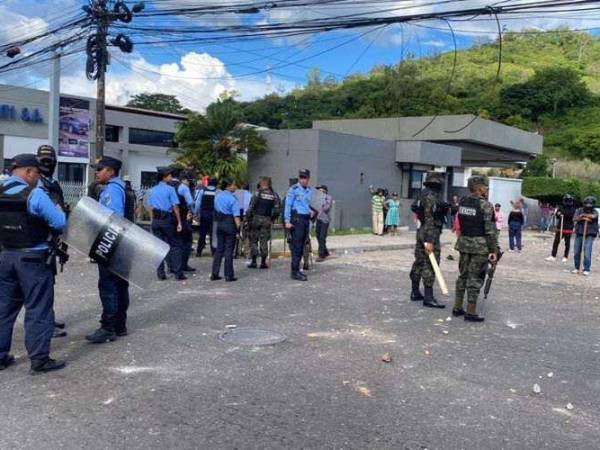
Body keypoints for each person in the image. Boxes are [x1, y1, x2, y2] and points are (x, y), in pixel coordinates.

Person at [0, 154, 66, 374]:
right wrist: (58, 209)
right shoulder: (34, 194)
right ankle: (39, 360)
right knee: (38, 309)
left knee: (4, 309)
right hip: (33, 260)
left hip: (6, 256)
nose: (38, 177)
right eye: (36, 173)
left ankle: (1, 356)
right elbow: (59, 222)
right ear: (28, 172)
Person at [85, 156, 133, 344]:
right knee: (120, 286)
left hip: (113, 242)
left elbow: (114, 219)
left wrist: (105, 245)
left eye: (100, 169)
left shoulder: (112, 190)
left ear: (111, 171)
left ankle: (108, 327)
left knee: (108, 286)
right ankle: (120, 325)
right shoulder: (124, 188)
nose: (96, 172)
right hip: (125, 243)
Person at [453, 176, 499, 322]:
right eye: (485, 187)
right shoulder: (485, 205)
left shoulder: (463, 202)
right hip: (479, 246)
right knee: (475, 278)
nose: (487, 189)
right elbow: (490, 231)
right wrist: (494, 250)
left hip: (464, 243)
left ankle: (457, 307)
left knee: (463, 275)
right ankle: (471, 311)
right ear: (479, 188)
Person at [36, 144, 68, 339]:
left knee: (49, 283)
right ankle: (45, 323)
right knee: (41, 286)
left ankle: (48, 317)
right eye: (43, 161)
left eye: (50, 161)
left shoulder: (52, 183)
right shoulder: (37, 184)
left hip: (52, 240)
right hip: (40, 240)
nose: (47, 164)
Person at [409, 172, 448, 308]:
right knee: (430, 264)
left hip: (421, 230)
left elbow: (415, 208)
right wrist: (430, 240)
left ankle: (415, 292)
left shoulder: (422, 194)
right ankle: (428, 297)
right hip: (430, 232)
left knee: (419, 261)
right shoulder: (432, 197)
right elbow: (431, 218)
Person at [148, 167, 185, 281]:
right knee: (175, 246)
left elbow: (149, 207)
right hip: (167, 220)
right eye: (169, 176)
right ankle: (178, 273)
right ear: (164, 177)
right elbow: (175, 206)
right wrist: (179, 222)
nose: (171, 177)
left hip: (156, 220)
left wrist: (152, 220)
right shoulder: (170, 189)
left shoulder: (152, 190)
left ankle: (161, 273)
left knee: (159, 247)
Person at [284, 169, 313, 281]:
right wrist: (287, 221)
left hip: (306, 220)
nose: (303, 180)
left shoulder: (309, 191)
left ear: (308, 178)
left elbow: (309, 205)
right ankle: (295, 271)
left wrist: (312, 211)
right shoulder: (293, 190)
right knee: (297, 247)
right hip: (297, 220)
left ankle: (297, 269)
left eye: (305, 177)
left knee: (303, 246)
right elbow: (288, 205)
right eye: (301, 177)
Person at [246, 176, 281, 269]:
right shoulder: (274, 195)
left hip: (256, 219)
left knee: (253, 240)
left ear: (262, 183)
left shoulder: (257, 193)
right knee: (264, 240)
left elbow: (250, 208)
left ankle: (253, 261)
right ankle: (263, 262)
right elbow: (277, 210)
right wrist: (272, 218)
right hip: (267, 220)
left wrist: (248, 219)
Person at [211, 178, 241, 281]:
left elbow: (215, 209)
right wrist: (238, 229)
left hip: (220, 223)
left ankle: (214, 273)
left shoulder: (218, 196)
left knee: (219, 249)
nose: (235, 187)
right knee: (229, 250)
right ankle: (228, 275)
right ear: (228, 186)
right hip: (229, 223)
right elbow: (236, 216)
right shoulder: (233, 199)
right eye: (234, 185)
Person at [169, 166, 195, 273]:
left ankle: (171, 266)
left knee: (171, 242)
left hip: (168, 218)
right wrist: (191, 212)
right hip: (182, 217)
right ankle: (182, 265)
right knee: (186, 241)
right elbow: (190, 202)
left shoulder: (165, 185)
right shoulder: (183, 187)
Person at [572, 196, 598, 276]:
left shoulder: (595, 211)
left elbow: (594, 216)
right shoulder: (579, 210)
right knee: (577, 251)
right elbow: (575, 218)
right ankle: (577, 267)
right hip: (580, 232)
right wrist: (582, 216)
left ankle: (586, 268)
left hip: (589, 234)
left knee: (587, 251)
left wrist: (586, 216)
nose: (588, 206)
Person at [546, 194, 576, 263]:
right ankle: (553, 256)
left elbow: (570, 216)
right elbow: (557, 215)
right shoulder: (561, 207)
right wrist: (558, 214)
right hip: (560, 227)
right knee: (556, 242)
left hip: (568, 228)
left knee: (567, 243)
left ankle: (565, 256)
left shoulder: (572, 208)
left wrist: (563, 214)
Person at [194, 177, 217, 257]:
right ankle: (214, 252)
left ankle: (199, 252)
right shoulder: (217, 192)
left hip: (204, 214)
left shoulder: (202, 191)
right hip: (214, 215)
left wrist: (195, 213)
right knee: (213, 233)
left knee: (202, 234)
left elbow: (197, 204)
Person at [315, 185, 333, 261]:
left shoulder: (328, 198)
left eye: (321, 191)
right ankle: (325, 251)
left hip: (325, 220)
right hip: (318, 219)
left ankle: (321, 255)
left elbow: (326, 208)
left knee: (322, 237)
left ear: (324, 191)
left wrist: (322, 201)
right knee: (318, 236)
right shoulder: (318, 199)